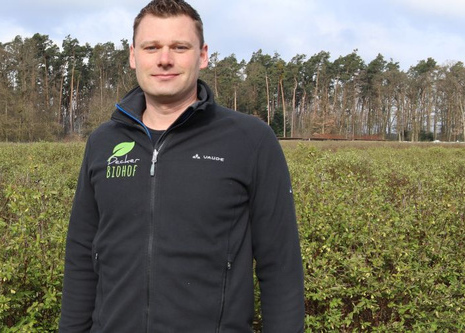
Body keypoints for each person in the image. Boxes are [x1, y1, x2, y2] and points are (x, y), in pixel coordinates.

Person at [59, 0, 305, 331]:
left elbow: (281, 267)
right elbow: (80, 258)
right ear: (133, 56)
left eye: (179, 47)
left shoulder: (251, 141)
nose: (164, 59)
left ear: (202, 55)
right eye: (152, 47)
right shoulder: (103, 143)